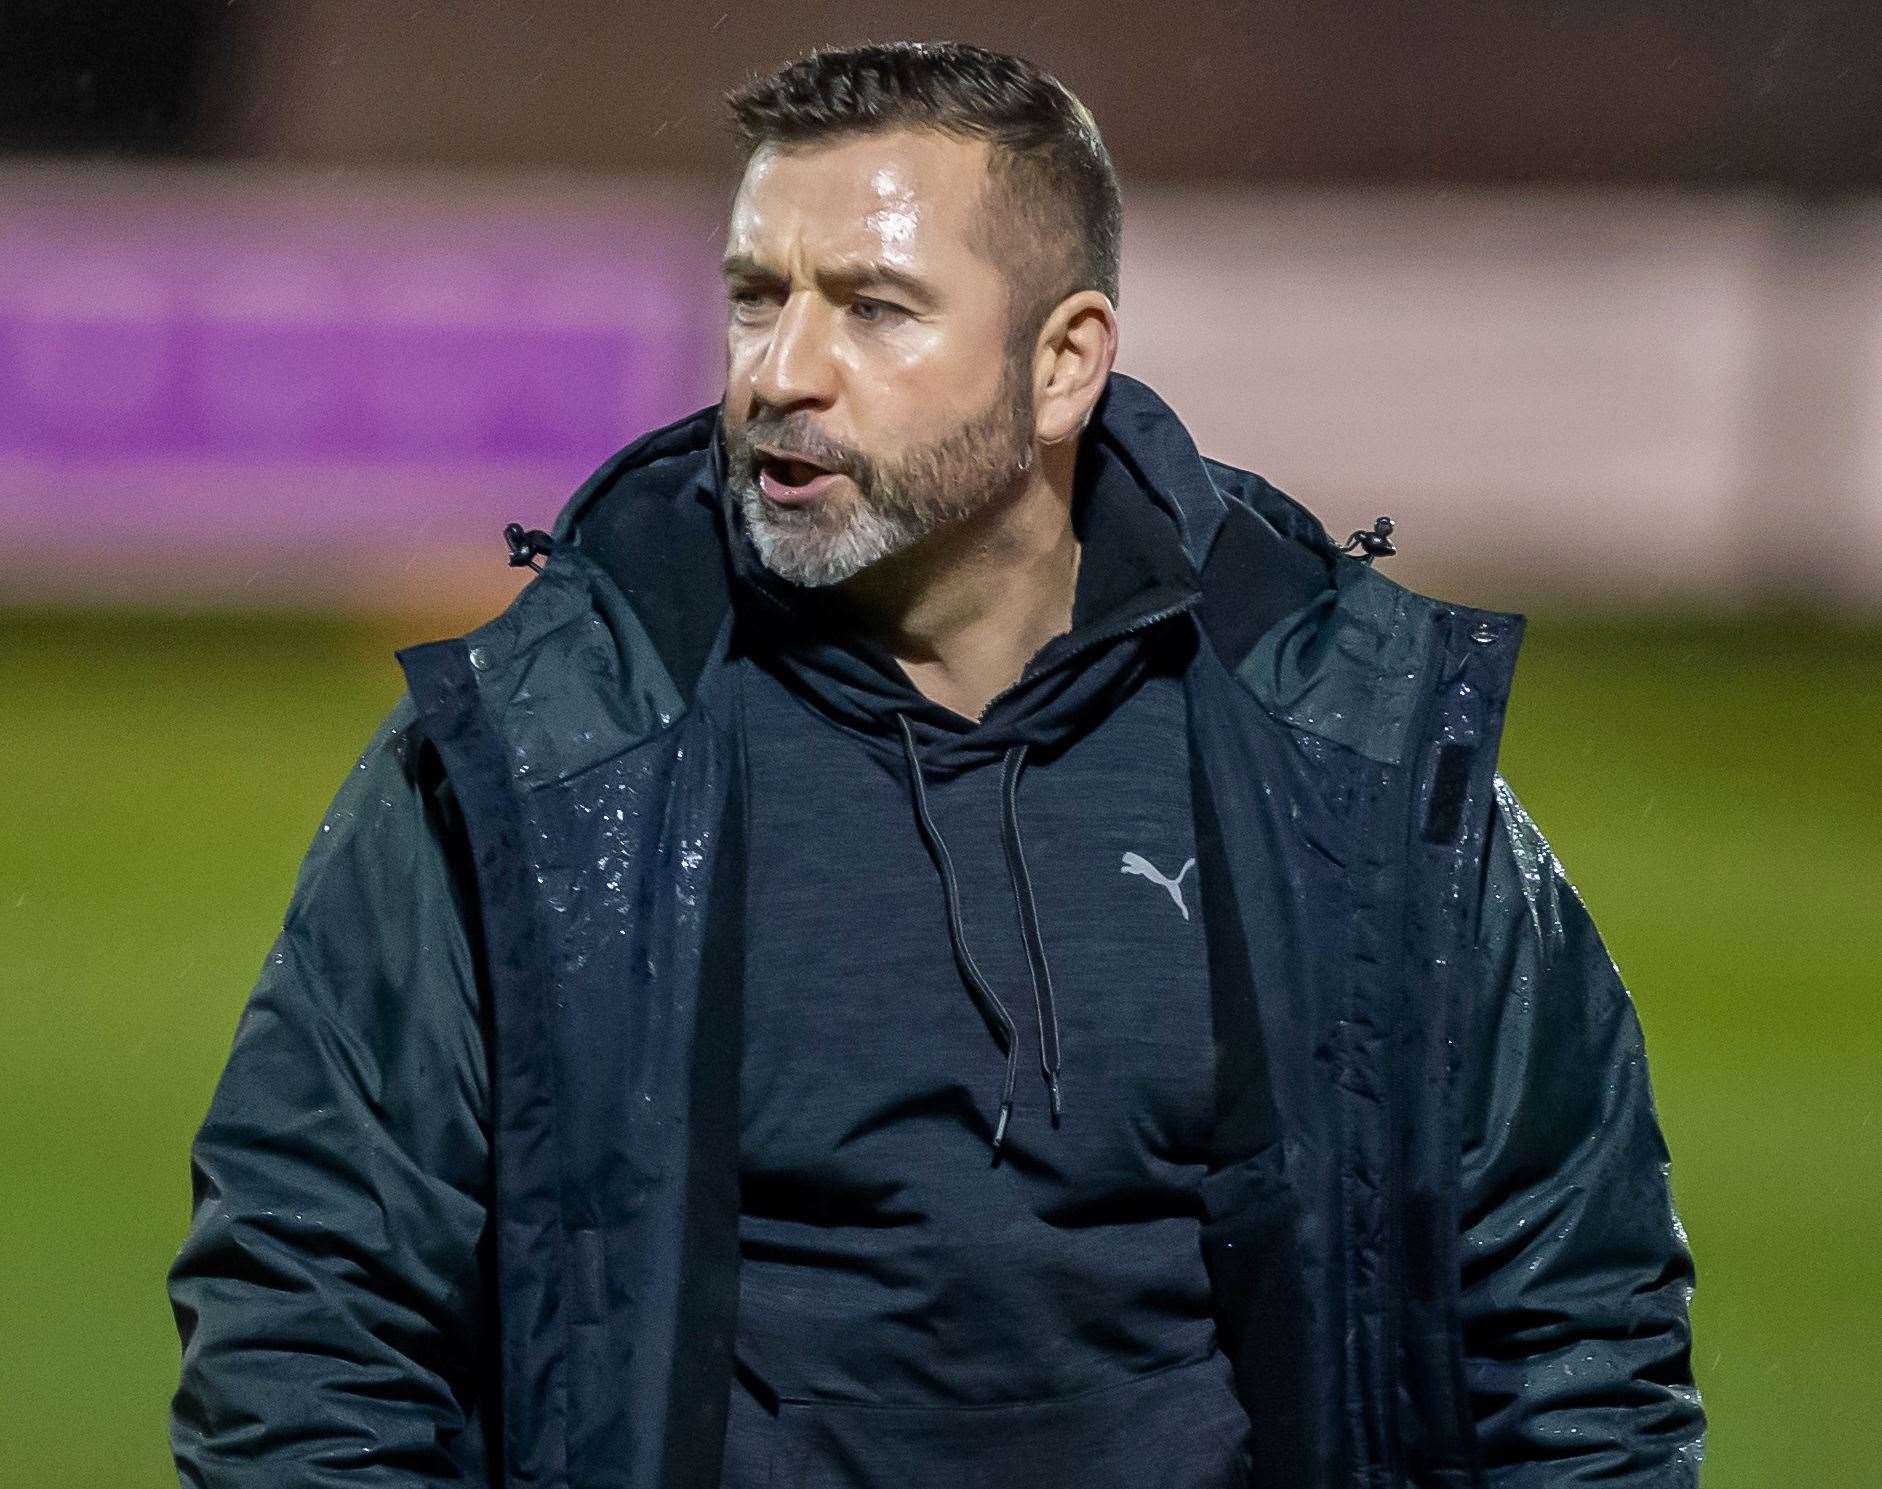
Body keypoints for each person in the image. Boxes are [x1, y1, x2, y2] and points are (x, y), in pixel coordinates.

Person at [167, 40, 1705, 1489]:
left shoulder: (1354, 764)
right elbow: (309, 1304)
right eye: (755, 297)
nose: (783, 370)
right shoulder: (536, 755)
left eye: (875, 307)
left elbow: (1573, 1307)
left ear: (1061, 365)